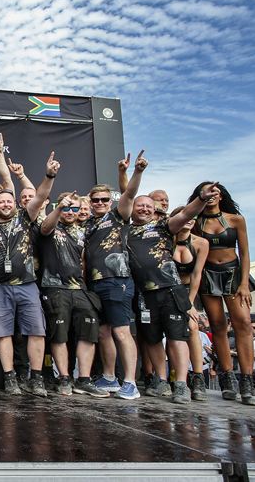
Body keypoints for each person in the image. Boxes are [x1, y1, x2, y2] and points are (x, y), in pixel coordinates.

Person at [127, 184, 220, 404]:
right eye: (140, 205)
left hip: (170, 290)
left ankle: (180, 383)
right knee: (152, 339)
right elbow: (126, 193)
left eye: (148, 206)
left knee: (177, 337)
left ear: (155, 210)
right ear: (132, 209)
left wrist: (201, 198)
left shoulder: (164, 225)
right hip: (144, 294)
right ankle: (161, 380)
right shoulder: (125, 231)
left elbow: (186, 214)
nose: (144, 209)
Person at [0, 147, 57, 397]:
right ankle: (10, 378)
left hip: (27, 284)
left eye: (8, 201)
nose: (4, 204)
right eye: (0, 201)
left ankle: (36, 378)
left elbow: (40, 195)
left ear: (14, 203)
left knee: (36, 331)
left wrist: (49, 175)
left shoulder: (25, 218)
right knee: (3, 333)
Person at [84, 151, 146, 400]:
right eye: (96, 200)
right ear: (90, 202)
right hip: (94, 283)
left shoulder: (118, 217)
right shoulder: (87, 224)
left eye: (104, 199)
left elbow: (129, 194)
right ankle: (109, 377)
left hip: (117, 280)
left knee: (121, 331)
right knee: (103, 332)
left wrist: (135, 172)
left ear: (111, 202)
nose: (100, 203)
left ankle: (130, 382)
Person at [190, 182, 255, 406]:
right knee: (218, 325)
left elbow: (245, 253)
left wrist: (244, 283)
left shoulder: (236, 219)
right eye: (207, 192)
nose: (211, 195)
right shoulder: (196, 222)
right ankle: (227, 377)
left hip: (233, 273)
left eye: (215, 192)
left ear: (221, 196)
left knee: (243, 323)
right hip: (208, 274)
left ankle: (247, 380)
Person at [39, 191, 108, 398]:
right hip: (55, 288)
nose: (70, 212)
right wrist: (60, 207)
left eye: (74, 208)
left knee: (89, 333)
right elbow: (45, 227)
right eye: (66, 208)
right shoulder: (51, 225)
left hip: (79, 289)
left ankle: (84, 379)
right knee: (59, 335)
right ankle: (64, 378)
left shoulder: (83, 232)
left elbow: (84, 261)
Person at [171, 206, 210, 401]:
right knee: (172, 332)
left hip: (188, 291)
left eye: (192, 217)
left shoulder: (201, 243)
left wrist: (190, 303)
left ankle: (198, 377)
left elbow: (197, 274)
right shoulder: (166, 240)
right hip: (168, 289)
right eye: (184, 216)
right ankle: (176, 378)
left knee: (193, 328)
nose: (189, 219)